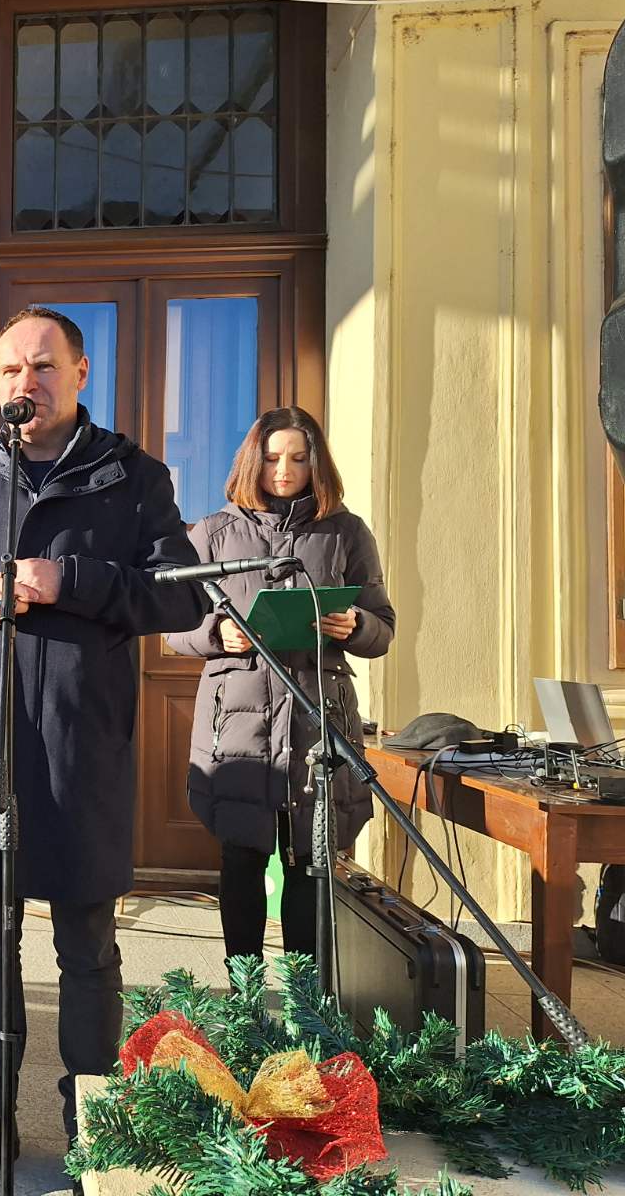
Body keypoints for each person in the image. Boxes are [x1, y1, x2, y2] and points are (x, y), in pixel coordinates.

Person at [0, 306, 205, 1193]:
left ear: (81, 372)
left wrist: (77, 582)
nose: (24, 383)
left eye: (42, 365)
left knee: (86, 948)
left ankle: (93, 1122)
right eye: (8, 372)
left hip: (79, 753)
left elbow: (177, 599)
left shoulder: (132, 478)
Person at [165, 407, 395, 962]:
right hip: (238, 724)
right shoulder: (214, 532)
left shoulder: (346, 532)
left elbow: (382, 625)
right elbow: (174, 628)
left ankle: (304, 1006)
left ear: (316, 464)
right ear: (254, 460)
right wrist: (219, 633)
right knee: (241, 858)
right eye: (272, 458)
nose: (284, 470)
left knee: (310, 860)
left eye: (297, 458)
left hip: (316, 719)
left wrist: (355, 625)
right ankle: (243, 999)